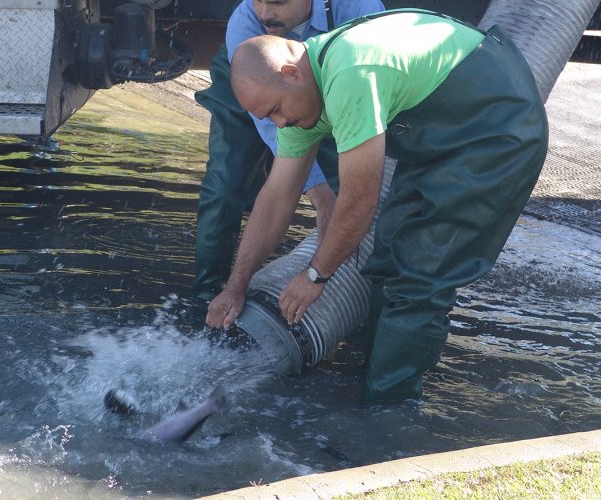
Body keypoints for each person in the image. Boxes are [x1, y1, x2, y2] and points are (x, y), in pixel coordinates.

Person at [206, 9, 548, 401]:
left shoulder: (350, 72)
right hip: (440, 142)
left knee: (420, 280)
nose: (279, 124)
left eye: (275, 110)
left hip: (498, 132)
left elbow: (359, 199)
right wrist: (235, 286)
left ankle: (387, 416)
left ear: (290, 72)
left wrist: (315, 275)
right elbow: (276, 196)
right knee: (384, 263)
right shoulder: (304, 96)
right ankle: (372, 383)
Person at [193, 0, 385, 300]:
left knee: (348, 192)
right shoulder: (245, 25)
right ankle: (208, 297)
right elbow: (275, 125)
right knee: (226, 183)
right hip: (252, 82)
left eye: (277, 2)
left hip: (343, 84)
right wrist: (318, 195)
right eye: (257, 1)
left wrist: (334, 200)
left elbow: (373, 98)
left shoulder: (360, 9)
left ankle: (349, 295)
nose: (265, 13)